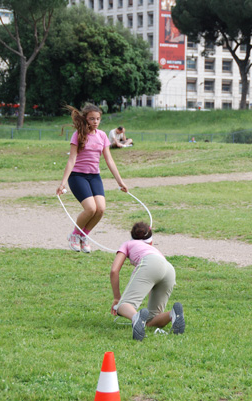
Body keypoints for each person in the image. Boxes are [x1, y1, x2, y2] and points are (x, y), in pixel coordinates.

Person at [56, 104, 128, 253]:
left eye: (98, 119)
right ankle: (74, 236)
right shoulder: (78, 135)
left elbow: (109, 160)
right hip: (77, 176)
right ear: (85, 119)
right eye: (92, 119)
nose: (95, 122)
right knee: (90, 209)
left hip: (94, 176)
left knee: (100, 209)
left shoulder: (101, 135)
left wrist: (120, 182)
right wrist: (62, 183)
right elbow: (71, 160)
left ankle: (84, 235)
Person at [110, 222, 185, 341]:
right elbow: (153, 278)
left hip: (150, 263)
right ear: (150, 241)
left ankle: (136, 318)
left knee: (122, 306)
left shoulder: (128, 244)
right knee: (151, 320)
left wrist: (117, 298)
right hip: (169, 269)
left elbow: (114, 270)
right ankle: (173, 314)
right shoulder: (153, 248)